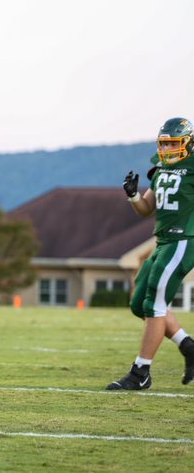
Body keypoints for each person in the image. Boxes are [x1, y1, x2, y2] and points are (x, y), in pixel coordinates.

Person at [108, 117, 194, 390]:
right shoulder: (159, 168)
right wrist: (133, 196)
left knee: (156, 306)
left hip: (183, 241)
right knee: (139, 305)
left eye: (173, 143)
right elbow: (147, 208)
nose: (168, 149)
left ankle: (140, 372)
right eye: (165, 143)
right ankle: (188, 346)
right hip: (162, 241)